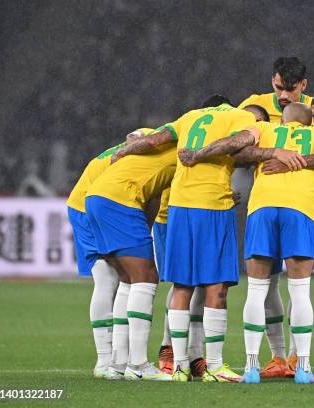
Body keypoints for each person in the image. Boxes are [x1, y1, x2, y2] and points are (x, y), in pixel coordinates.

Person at [114, 97, 265, 383]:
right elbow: (238, 142)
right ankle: (216, 366)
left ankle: (180, 366)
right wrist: (201, 155)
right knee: (216, 286)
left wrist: (123, 152)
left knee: (182, 286)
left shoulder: (190, 116)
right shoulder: (241, 117)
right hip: (212, 204)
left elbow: (156, 140)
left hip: (179, 207)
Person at [234, 102, 314, 384]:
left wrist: (271, 153)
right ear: (308, 121)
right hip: (299, 210)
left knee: (255, 290)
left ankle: (251, 368)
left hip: (262, 209)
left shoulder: (265, 128)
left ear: (283, 120)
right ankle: (302, 368)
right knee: (300, 291)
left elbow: (238, 148)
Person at [84, 126, 177, 381]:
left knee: (127, 279)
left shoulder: (158, 151)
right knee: (146, 277)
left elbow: (154, 196)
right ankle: (138, 364)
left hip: (97, 197)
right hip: (120, 200)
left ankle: (117, 363)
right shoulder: (182, 148)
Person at [66, 128, 148, 378]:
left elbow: (132, 136)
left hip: (89, 202)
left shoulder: (145, 140)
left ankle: (113, 359)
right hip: (88, 206)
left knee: (116, 278)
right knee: (108, 278)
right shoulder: (155, 145)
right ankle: (105, 359)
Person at [238, 57, 313, 124]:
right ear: (273, 81)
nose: (284, 95)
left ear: (303, 84)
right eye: (279, 88)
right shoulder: (253, 104)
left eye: (290, 89)